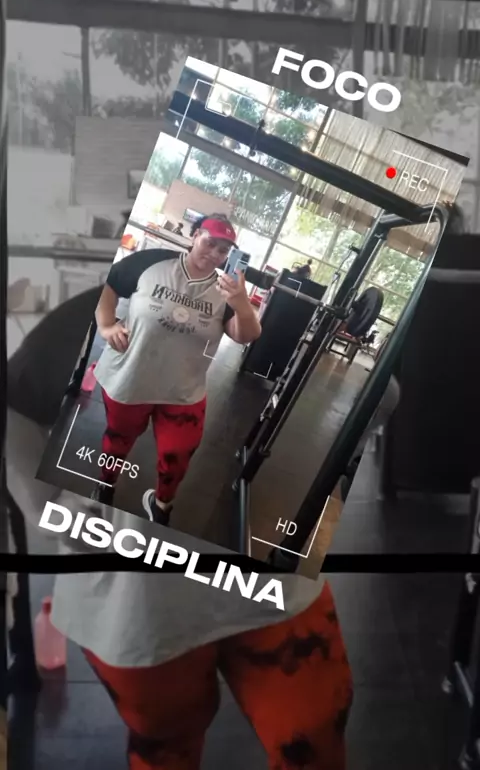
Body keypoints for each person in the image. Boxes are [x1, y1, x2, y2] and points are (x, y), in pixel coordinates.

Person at [5, 279, 400, 770]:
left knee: (311, 738)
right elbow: (18, 405)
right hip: (139, 603)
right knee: (167, 746)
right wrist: (58, 512)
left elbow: (380, 396)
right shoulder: (96, 311)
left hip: (262, 586)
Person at [92, 214, 261, 525]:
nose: (215, 253)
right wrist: (106, 325)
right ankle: (105, 485)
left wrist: (241, 304)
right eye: (210, 243)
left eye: (223, 250)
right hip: (131, 376)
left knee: (178, 455)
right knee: (117, 443)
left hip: (183, 389)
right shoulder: (152, 263)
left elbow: (246, 335)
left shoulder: (225, 290)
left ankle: (161, 506)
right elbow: (109, 283)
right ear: (195, 236)